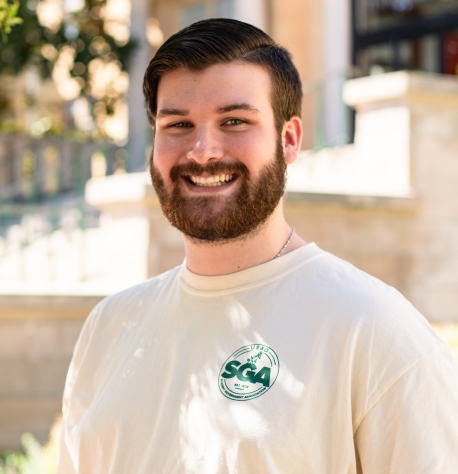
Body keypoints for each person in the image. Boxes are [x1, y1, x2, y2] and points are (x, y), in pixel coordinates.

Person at [57, 19, 458, 473]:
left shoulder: (373, 329)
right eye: (178, 124)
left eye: (234, 121)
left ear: (288, 140)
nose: (203, 150)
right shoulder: (108, 328)